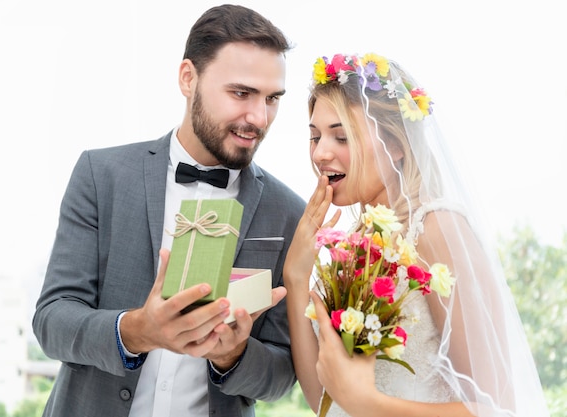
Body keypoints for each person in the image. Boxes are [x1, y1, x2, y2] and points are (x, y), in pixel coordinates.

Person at [32, 5, 305, 417]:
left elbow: (283, 374)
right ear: (188, 78)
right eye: (241, 93)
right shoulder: (100, 174)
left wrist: (234, 356)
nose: (259, 117)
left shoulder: (288, 211)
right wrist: (138, 330)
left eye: (272, 99)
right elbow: (52, 322)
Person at [283, 52, 549, 417]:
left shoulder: (438, 228)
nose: (320, 153)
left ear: (396, 145)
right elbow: (325, 404)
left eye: (341, 137)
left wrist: (369, 404)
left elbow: (495, 407)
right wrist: (296, 277)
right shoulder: (357, 244)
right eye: (315, 137)